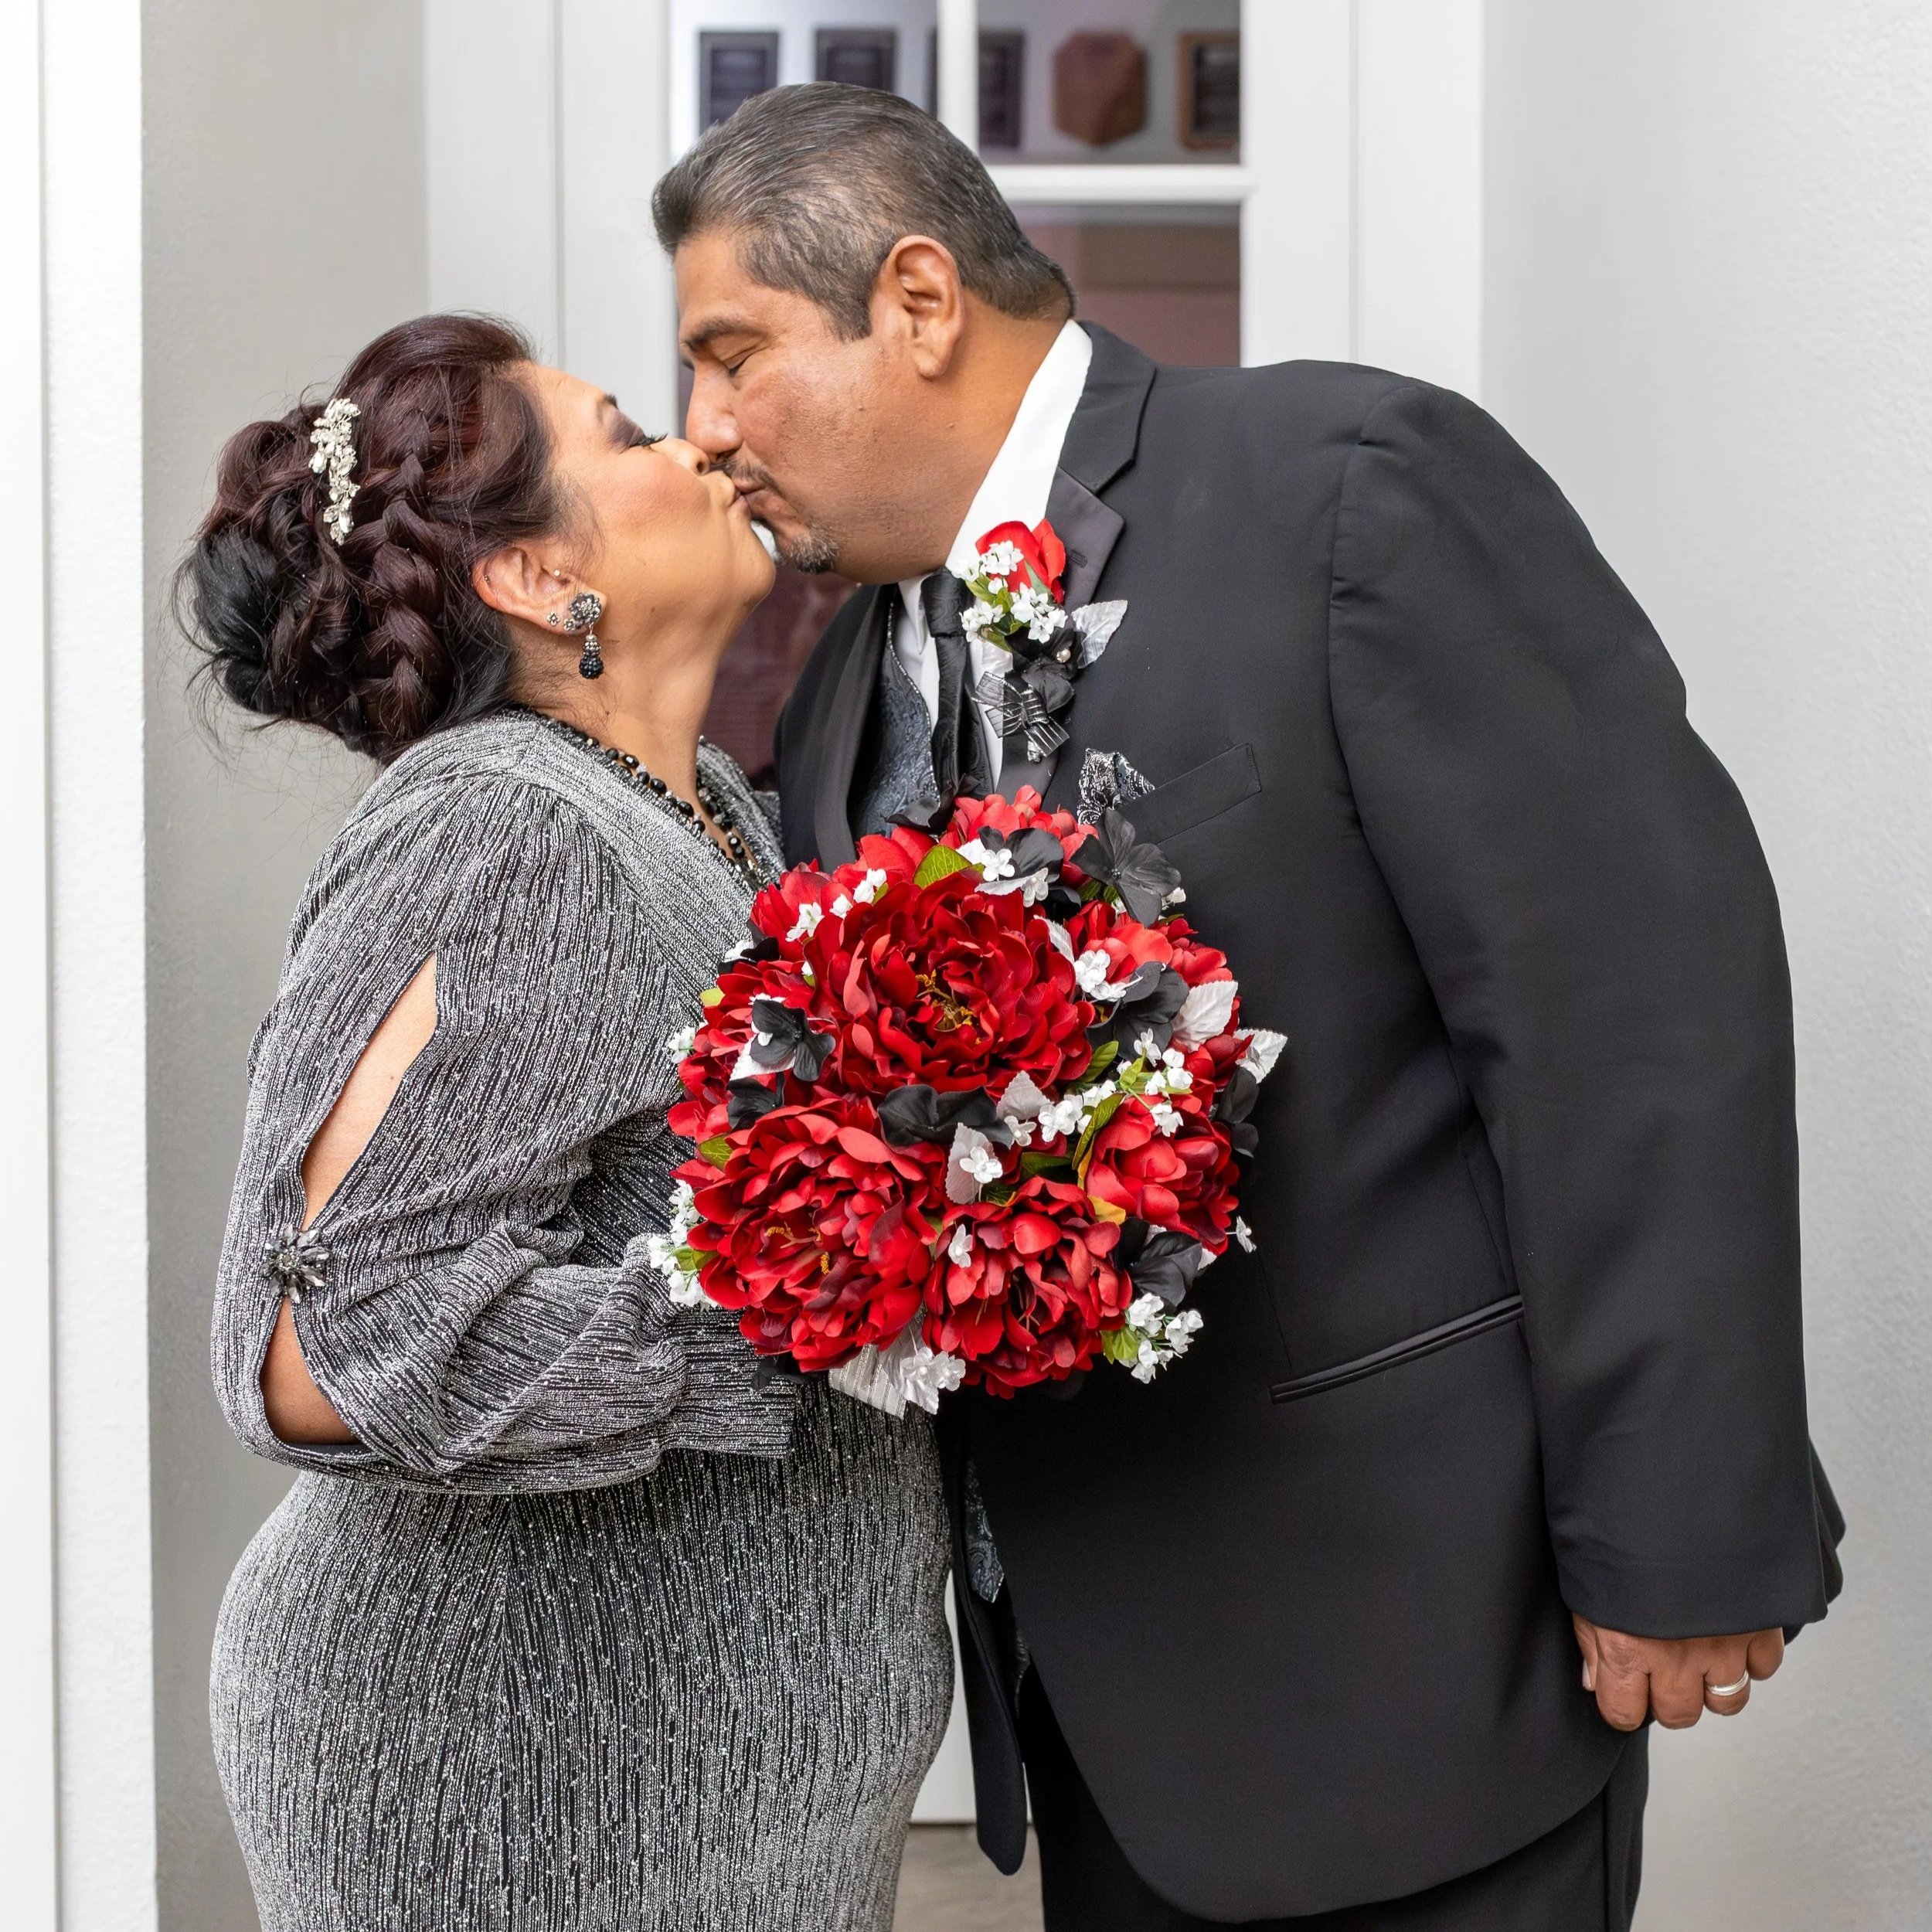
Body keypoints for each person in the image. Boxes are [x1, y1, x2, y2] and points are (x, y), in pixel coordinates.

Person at [655, 85, 1845, 1930]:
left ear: (911, 300)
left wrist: (1682, 1528)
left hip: (1413, 1652)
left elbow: (1631, 1012)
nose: (702, 430)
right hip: (1097, 1697)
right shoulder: (836, 703)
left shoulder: (1343, 487)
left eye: (730, 355)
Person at [187, 313, 951, 1931]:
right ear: (538, 581)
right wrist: (801, 1302)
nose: (697, 442)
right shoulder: (504, 828)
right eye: (624, 431)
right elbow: (324, 1348)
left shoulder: (710, 813)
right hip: (518, 1768)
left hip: (716, 1751)